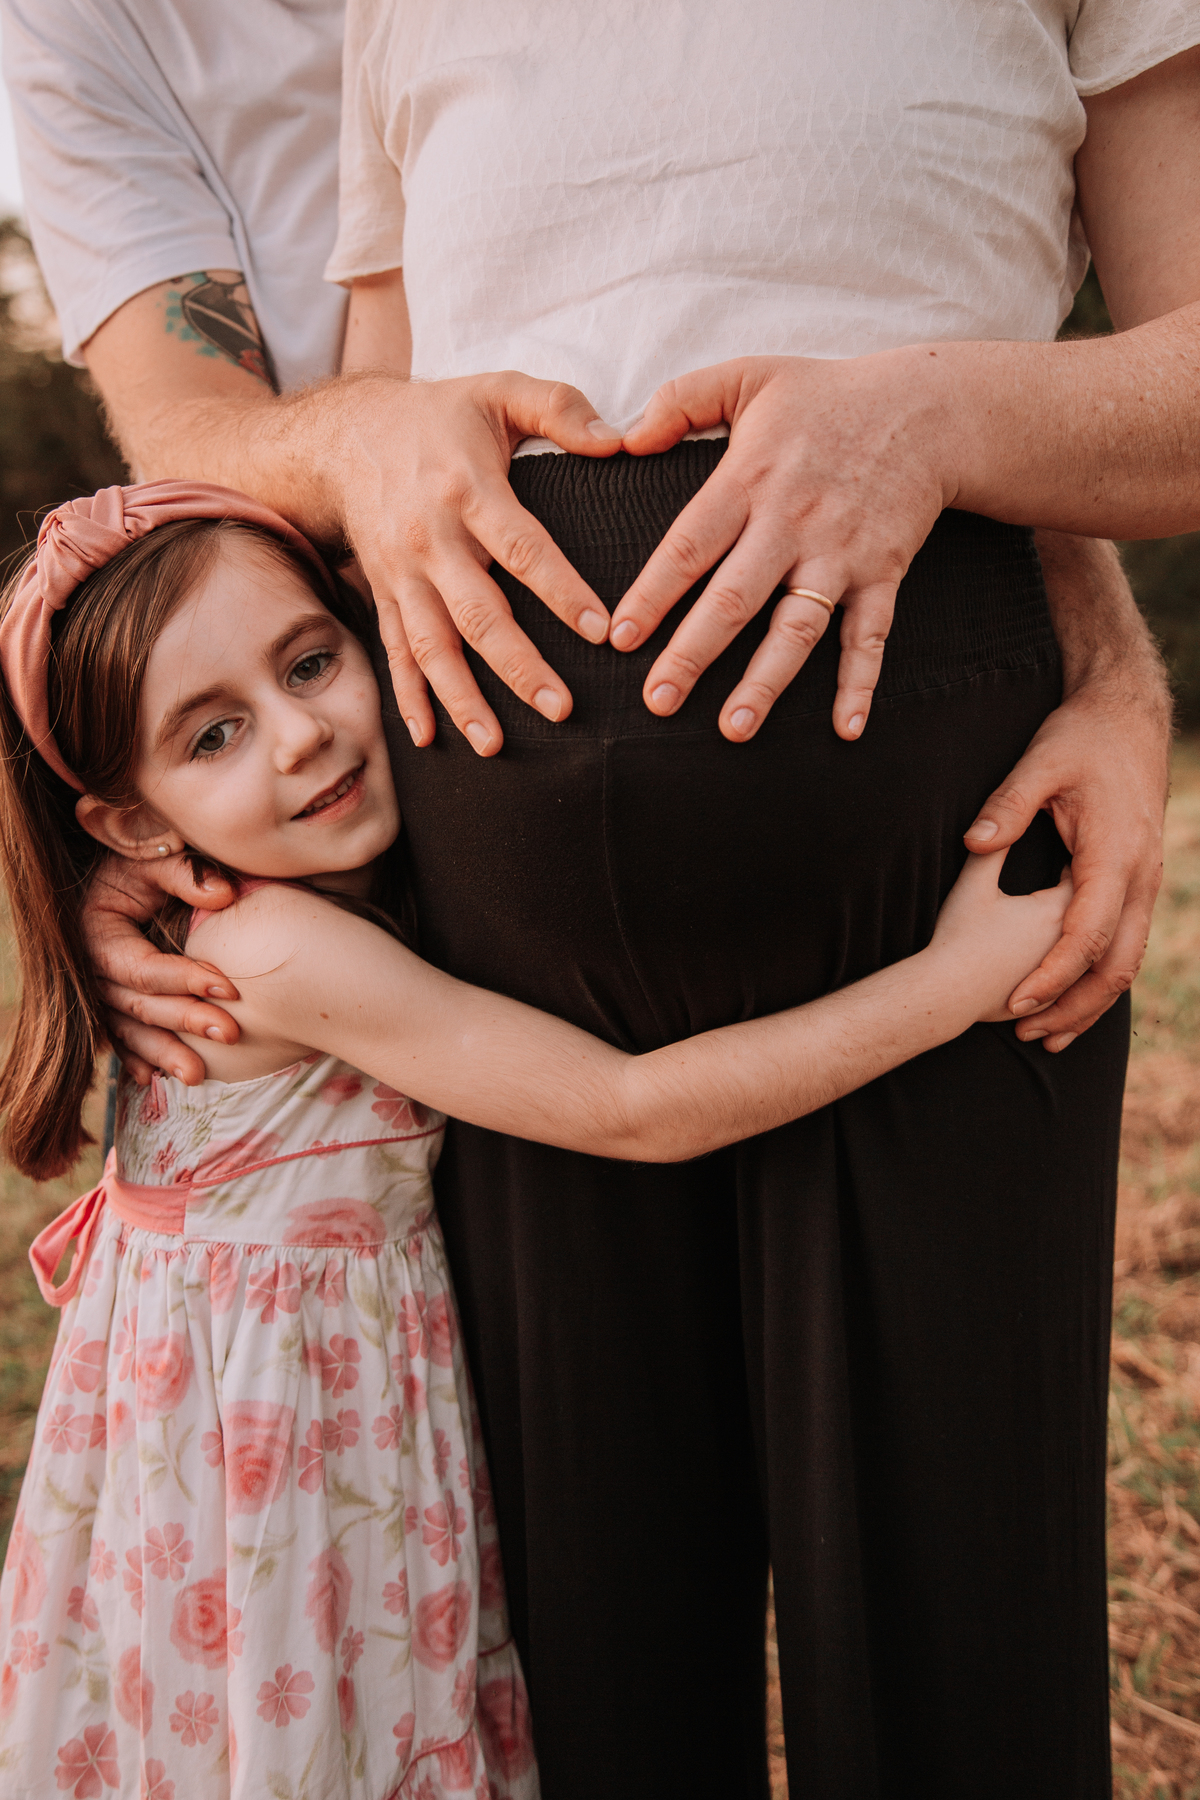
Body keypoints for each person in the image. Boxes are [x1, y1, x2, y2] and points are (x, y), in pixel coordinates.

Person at [0, 5, 1185, 1797]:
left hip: (916, 821)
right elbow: (262, 445)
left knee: (959, 1625)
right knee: (587, 1658)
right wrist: (128, 862)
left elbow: (1067, 341)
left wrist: (1104, 650)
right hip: (488, 927)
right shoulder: (191, 24)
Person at [0, 483, 1070, 1800]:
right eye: (213, 734)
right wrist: (955, 982)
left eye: (313, 662)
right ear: (128, 826)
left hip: (250, 1439)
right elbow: (631, 1108)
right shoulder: (274, 947)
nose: (299, 737)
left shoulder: (244, 906)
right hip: (281, 1461)